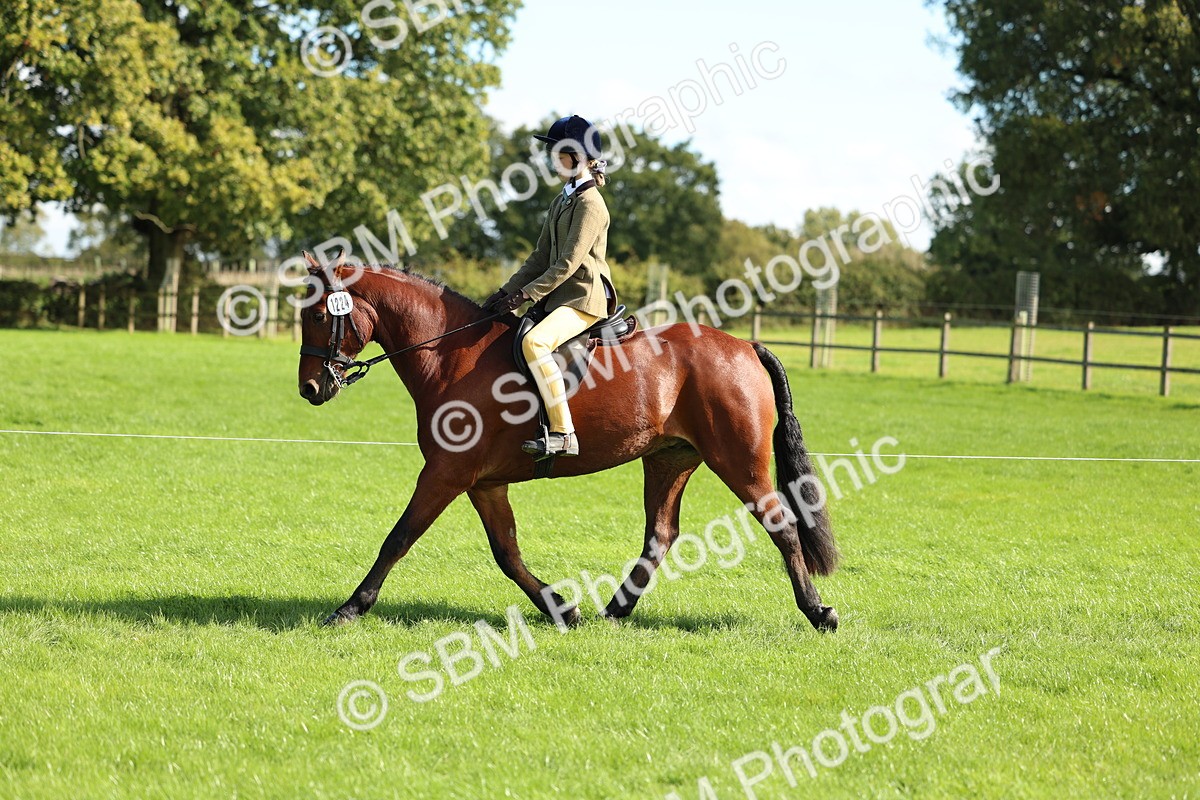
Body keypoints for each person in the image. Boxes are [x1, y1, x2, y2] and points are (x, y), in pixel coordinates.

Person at [482, 115, 614, 458]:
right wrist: (504, 291)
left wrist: (526, 294)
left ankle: (563, 432)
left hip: (583, 298)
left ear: (577, 156)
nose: (551, 159)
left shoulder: (591, 204)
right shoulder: (562, 200)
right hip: (560, 296)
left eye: (557, 152)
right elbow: (540, 257)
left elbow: (568, 263)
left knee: (535, 342)